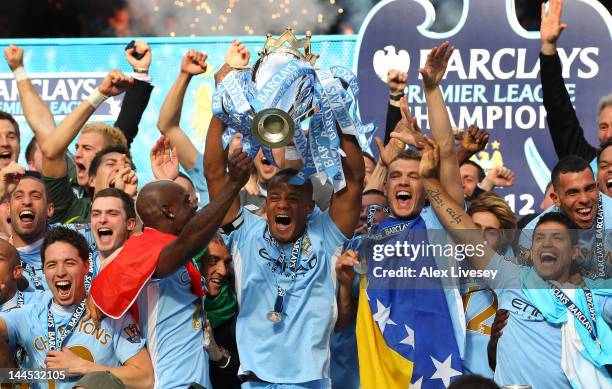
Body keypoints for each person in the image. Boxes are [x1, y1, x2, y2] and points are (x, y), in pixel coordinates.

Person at [205, 56, 365, 386]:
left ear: (309, 207)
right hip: (255, 379)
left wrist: (333, 103)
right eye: (276, 197)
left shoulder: (327, 235)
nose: (283, 204)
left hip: (310, 381)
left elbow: (354, 177)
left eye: (293, 199)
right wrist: (221, 106)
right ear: (265, 204)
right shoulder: (245, 233)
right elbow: (213, 174)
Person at [419, 138, 612, 388]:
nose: (548, 244)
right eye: (540, 238)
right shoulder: (509, 277)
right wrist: (429, 179)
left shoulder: (595, 297)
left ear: (575, 251)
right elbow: (461, 225)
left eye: (558, 239)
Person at [89, 148, 253, 389]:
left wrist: (164, 179)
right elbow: (193, 236)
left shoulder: (168, 248)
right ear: (168, 211)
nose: (194, 205)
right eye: (187, 201)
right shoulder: (145, 248)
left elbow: (190, 236)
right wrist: (232, 184)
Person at [0, 227, 154, 389]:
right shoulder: (29, 314)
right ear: (44, 271)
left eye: (69, 263)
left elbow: (145, 377)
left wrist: (83, 367)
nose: (60, 272)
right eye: (52, 265)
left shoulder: (109, 315)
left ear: (86, 267)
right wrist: (19, 378)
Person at [539, 0, 612, 171]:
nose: (609, 135)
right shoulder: (584, 164)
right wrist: (549, 47)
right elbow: (559, 113)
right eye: (604, 127)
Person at [518, 155, 612, 279]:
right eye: (573, 192)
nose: (584, 199)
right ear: (556, 199)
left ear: (597, 187)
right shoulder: (531, 234)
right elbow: (532, 288)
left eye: (589, 188)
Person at [462, 192, 517, 378]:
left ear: (502, 239)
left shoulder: (513, 283)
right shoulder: (443, 276)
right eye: (475, 228)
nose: (481, 237)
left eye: (491, 231)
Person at [201, 235, 240, 389]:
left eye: (226, 263)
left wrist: (216, 353)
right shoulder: (176, 305)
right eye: (212, 261)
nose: (223, 271)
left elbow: (249, 372)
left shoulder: (237, 313)